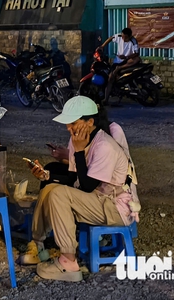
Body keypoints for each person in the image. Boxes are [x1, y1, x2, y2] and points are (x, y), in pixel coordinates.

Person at [20, 96, 137, 282]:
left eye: (73, 123)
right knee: (49, 189)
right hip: (98, 199)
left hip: (115, 208)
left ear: (90, 122)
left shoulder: (104, 145)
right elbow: (74, 180)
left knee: (58, 193)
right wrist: (47, 176)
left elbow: (86, 187)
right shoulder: (78, 141)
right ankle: (38, 246)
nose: (69, 128)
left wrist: (80, 151)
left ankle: (68, 262)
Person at [101, 28, 140, 104]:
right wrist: (102, 46)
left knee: (137, 59)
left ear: (130, 36)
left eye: (125, 37)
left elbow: (136, 53)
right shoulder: (119, 36)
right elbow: (111, 38)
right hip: (117, 62)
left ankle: (120, 68)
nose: (123, 39)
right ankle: (106, 99)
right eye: (122, 37)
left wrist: (126, 57)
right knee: (110, 78)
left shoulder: (134, 41)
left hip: (127, 60)